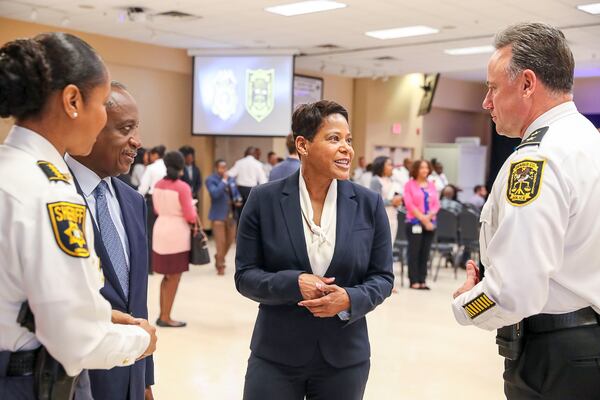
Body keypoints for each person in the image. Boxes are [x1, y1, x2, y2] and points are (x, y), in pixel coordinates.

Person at [0, 32, 156, 399]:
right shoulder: (51, 192)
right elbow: (76, 341)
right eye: (102, 104)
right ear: (72, 101)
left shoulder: (10, 168)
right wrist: (140, 340)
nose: (103, 116)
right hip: (27, 381)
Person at [452, 22, 600, 399]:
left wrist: (466, 304)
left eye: (492, 88)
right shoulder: (589, 142)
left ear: (527, 83)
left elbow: (515, 292)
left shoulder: (537, 161)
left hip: (555, 355)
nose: (486, 102)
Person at [235, 100, 394, 400]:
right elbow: (245, 276)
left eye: (348, 140)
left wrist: (349, 298)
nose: (346, 148)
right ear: (303, 145)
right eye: (334, 139)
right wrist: (293, 283)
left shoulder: (368, 204)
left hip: (344, 357)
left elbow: (383, 278)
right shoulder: (263, 200)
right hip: (276, 355)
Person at [66, 81, 154, 400]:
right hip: (74, 379)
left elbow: (138, 301)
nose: (137, 141)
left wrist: (145, 380)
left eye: (137, 129)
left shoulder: (133, 201)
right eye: (125, 129)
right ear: (91, 129)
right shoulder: (53, 195)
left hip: (129, 372)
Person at [152, 151, 200, 328]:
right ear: (181, 166)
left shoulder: (158, 184)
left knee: (166, 276)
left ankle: (163, 314)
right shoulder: (182, 187)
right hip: (177, 233)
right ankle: (166, 316)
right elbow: (189, 215)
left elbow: (156, 209)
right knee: (174, 277)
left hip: (160, 229)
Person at [403, 160, 440, 290]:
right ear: (416, 170)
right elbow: (409, 204)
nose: (425, 170)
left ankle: (422, 280)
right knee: (414, 252)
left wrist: (429, 217)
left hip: (430, 224)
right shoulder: (409, 185)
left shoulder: (432, 185)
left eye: (426, 168)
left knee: (425, 253)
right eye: (421, 168)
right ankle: (414, 280)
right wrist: (423, 219)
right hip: (414, 223)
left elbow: (436, 204)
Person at [206, 159, 242, 275]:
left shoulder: (232, 179)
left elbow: (236, 193)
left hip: (231, 215)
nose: (223, 169)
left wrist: (238, 199)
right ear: (216, 168)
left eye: (225, 167)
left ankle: (219, 256)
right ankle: (220, 264)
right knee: (220, 242)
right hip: (218, 215)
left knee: (230, 240)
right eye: (221, 167)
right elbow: (215, 193)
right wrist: (224, 181)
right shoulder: (211, 180)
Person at [138, 145, 166, 273]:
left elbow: (143, 188)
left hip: (152, 200)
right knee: (162, 234)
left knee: (150, 234)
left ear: (155, 155)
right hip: (166, 201)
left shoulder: (151, 168)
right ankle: (161, 264)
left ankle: (150, 267)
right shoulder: (166, 167)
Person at [370, 156, 403, 241]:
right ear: (381, 166)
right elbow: (375, 201)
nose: (392, 167)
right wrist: (392, 202)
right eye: (389, 165)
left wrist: (399, 200)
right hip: (382, 217)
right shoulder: (376, 180)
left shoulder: (393, 181)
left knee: (391, 245)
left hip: (393, 217)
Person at [228, 146, 267, 213]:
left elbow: (229, 175)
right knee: (251, 213)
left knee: (240, 214)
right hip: (252, 191)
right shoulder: (258, 164)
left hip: (240, 191)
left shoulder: (239, 163)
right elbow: (263, 181)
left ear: (246, 153)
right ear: (254, 154)